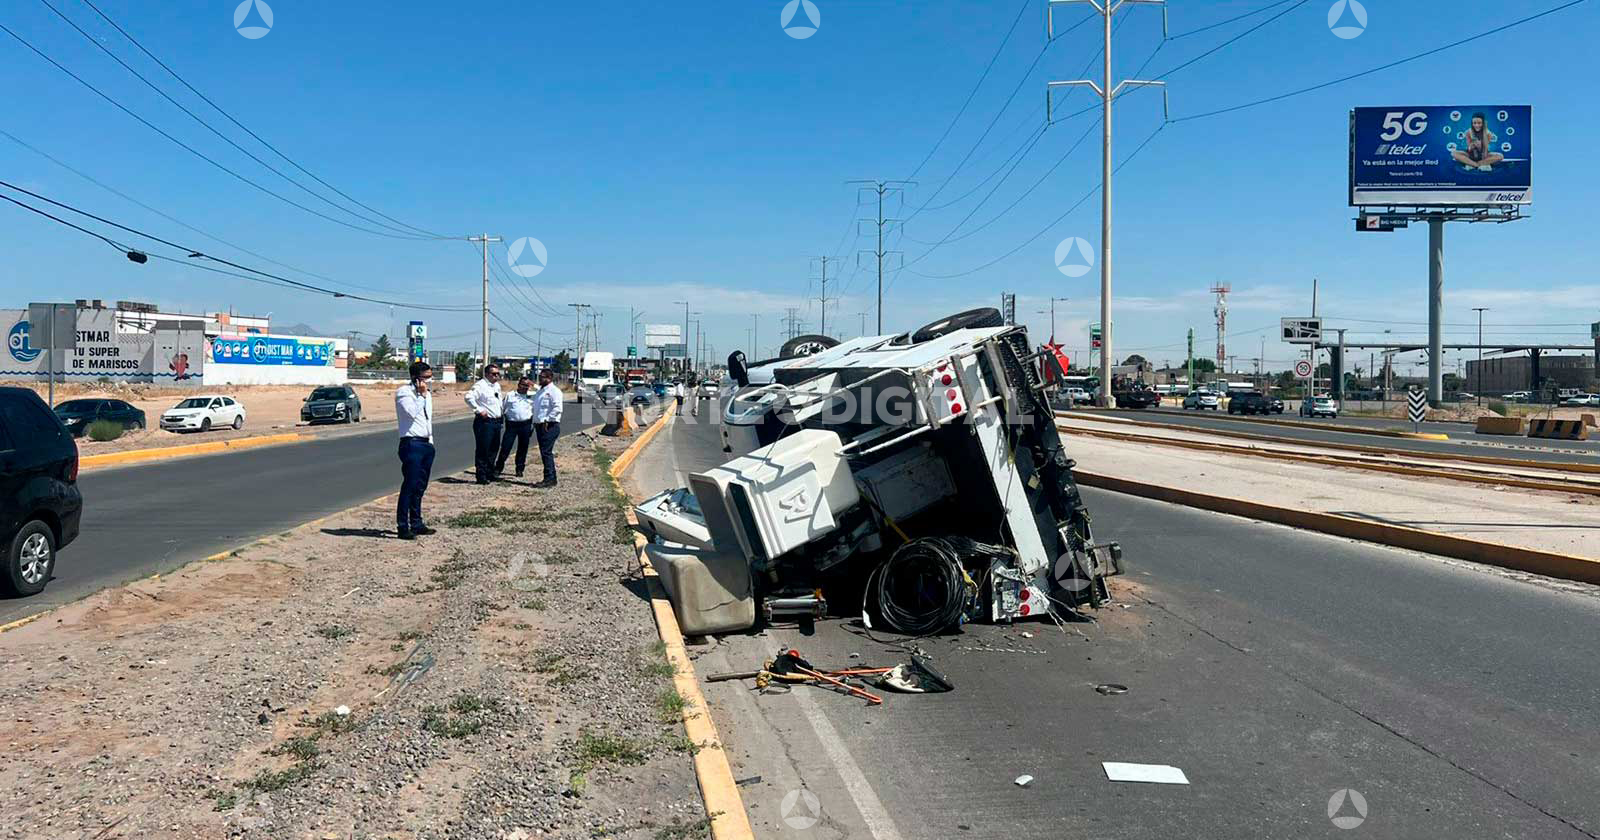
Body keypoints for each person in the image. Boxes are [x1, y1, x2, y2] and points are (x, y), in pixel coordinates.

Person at [394, 361, 436, 540]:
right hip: (412, 444)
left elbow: (427, 420)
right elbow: (410, 413)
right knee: (409, 486)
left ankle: (417, 522)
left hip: (426, 444)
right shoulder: (404, 392)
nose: (429, 381)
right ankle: (403, 526)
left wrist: (431, 442)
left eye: (430, 377)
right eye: (426, 378)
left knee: (420, 486)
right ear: (415, 378)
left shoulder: (426, 395)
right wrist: (420, 396)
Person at [465, 363, 504, 484]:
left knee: (494, 449)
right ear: (487, 374)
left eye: (498, 374)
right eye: (493, 374)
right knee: (483, 450)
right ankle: (481, 476)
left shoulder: (496, 385)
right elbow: (468, 397)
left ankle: (489, 473)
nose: (496, 376)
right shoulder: (480, 385)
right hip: (485, 422)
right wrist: (478, 410)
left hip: (496, 421)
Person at [496, 374, 536, 478]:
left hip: (526, 424)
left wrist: (534, 385)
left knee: (523, 448)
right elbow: (502, 408)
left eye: (527, 385)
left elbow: (544, 392)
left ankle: (519, 469)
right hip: (512, 425)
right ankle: (498, 468)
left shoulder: (532, 395)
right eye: (523, 385)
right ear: (518, 385)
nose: (525, 387)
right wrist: (501, 421)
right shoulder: (510, 395)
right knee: (505, 447)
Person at [531, 368, 563, 487]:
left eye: (543, 377)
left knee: (546, 452)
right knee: (544, 452)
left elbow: (557, 408)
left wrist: (547, 420)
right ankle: (551, 478)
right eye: (540, 376)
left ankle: (549, 479)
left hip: (549, 426)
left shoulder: (554, 391)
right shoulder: (541, 391)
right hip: (539, 426)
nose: (540, 378)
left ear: (549, 378)